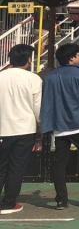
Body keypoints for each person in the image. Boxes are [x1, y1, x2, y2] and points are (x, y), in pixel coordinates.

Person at [41, 43, 79, 209]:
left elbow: (47, 101)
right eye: (78, 54)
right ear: (71, 57)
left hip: (59, 125)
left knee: (59, 163)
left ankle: (61, 200)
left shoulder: (49, 77)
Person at [0, 44, 41, 215]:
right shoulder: (33, 79)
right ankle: (9, 203)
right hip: (24, 129)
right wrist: (42, 127)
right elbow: (38, 107)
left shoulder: (1, 76)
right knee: (17, 167)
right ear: (28, 59)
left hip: (2, 128)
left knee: (1, 166)